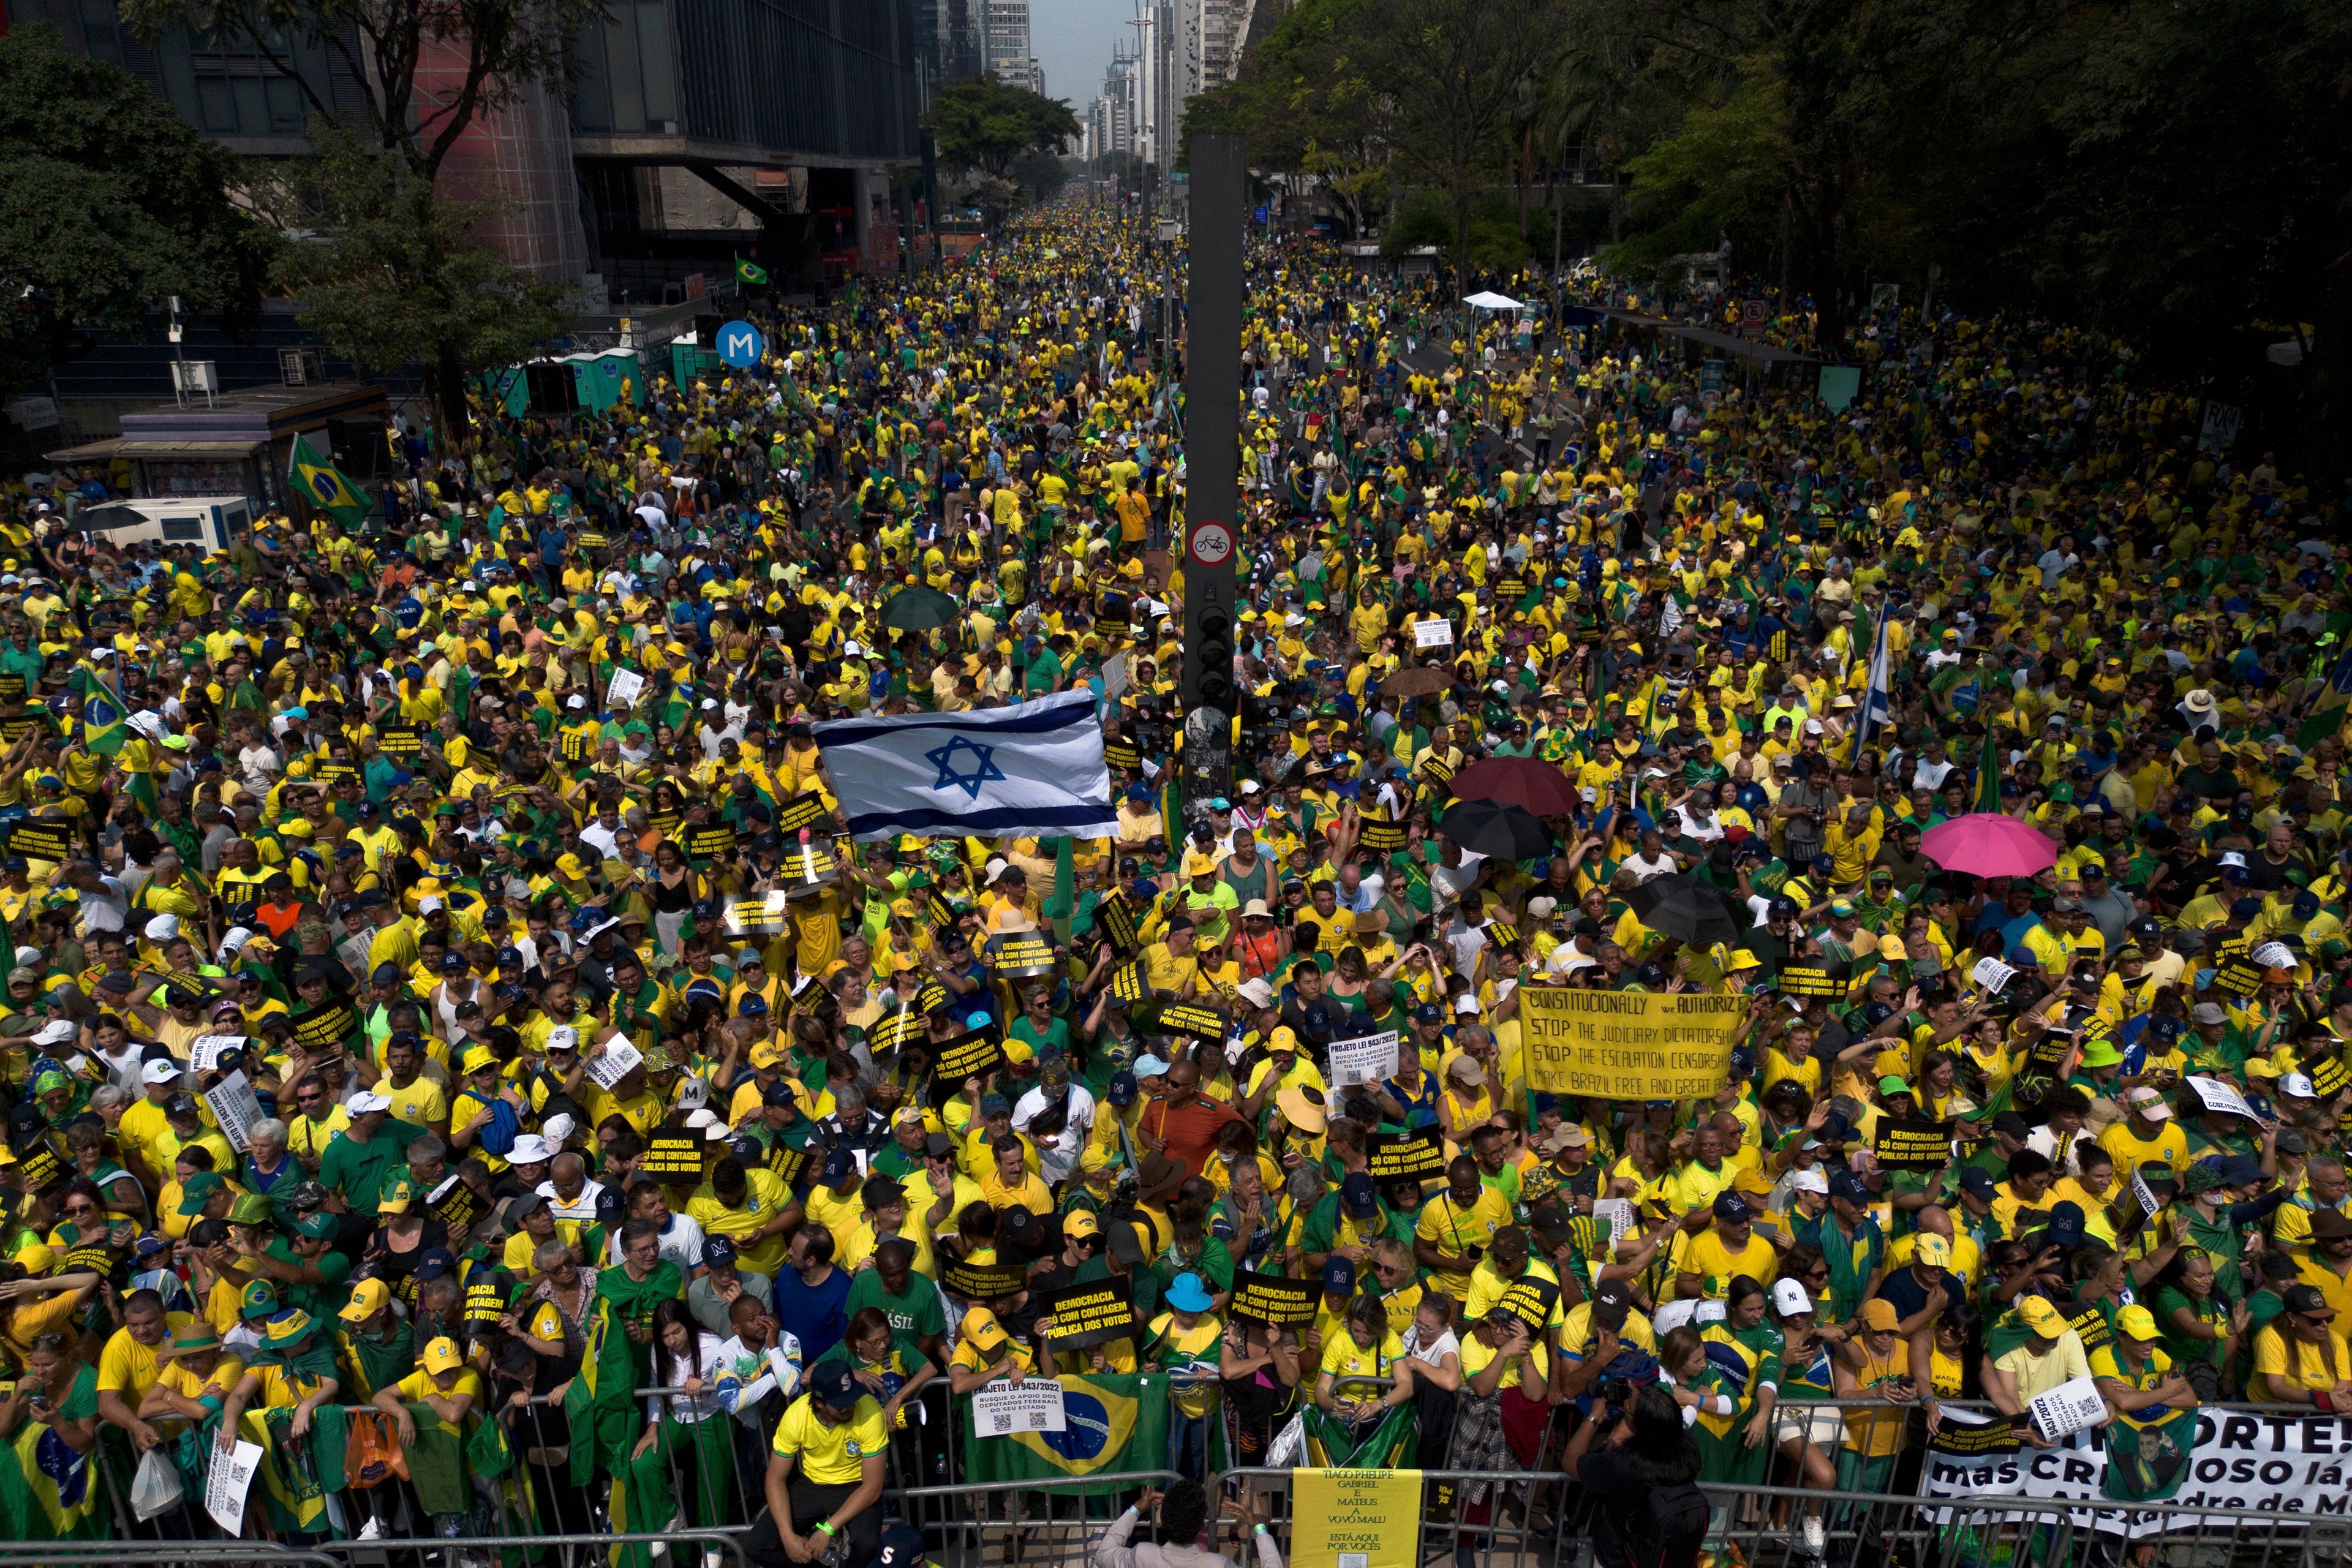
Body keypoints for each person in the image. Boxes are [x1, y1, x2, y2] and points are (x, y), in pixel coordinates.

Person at [747, 1359, 888, 1568]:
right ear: (820, 1403)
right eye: (841, 1405)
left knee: (866, 1545)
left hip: (857, 1485)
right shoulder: (796, 1416)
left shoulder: (870, 1412)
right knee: (757, 1546)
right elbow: (775, 1479)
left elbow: (873, 1487)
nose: (850, 1407)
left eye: (853, 1398)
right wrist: (788, 1537)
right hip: (814, 1483)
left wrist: (827, 1530)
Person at [1092, 1479, 1284, 1568]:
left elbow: (1104, 1554)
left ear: (1165, 1520)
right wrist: (1258, 1527)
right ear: (1202, 1525)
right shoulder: (1218, 1564)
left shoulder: (1142, 1554)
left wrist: (1136, 1509)